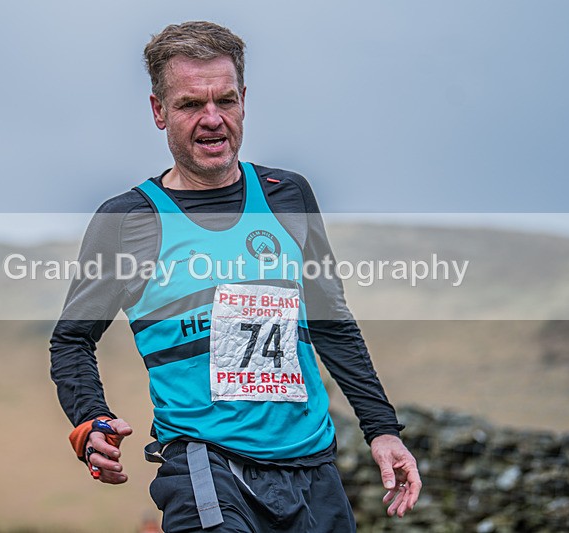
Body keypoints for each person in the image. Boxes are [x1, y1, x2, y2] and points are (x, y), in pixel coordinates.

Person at [50, 20, 421, 532]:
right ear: (159, 111)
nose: (212, 119)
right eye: (189, 104)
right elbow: (71, 340)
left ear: (244, 99)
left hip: (312, 466)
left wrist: (382, 430)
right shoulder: (129, 221)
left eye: (225, 100)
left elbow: (332, 322)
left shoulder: (288, 196)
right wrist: (90, 420)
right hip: (205, 465)